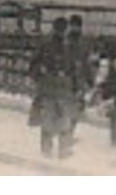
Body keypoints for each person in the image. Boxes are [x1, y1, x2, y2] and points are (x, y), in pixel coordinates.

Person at [30, 17, 79, 158]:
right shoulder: (51, 46)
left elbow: (33, 66)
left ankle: (52, 150)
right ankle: (54, 151)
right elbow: (35, 66)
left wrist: (40, 79)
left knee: (58, 121)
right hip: (57, 89)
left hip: (57, 89)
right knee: (57, 121)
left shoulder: (66, 47)